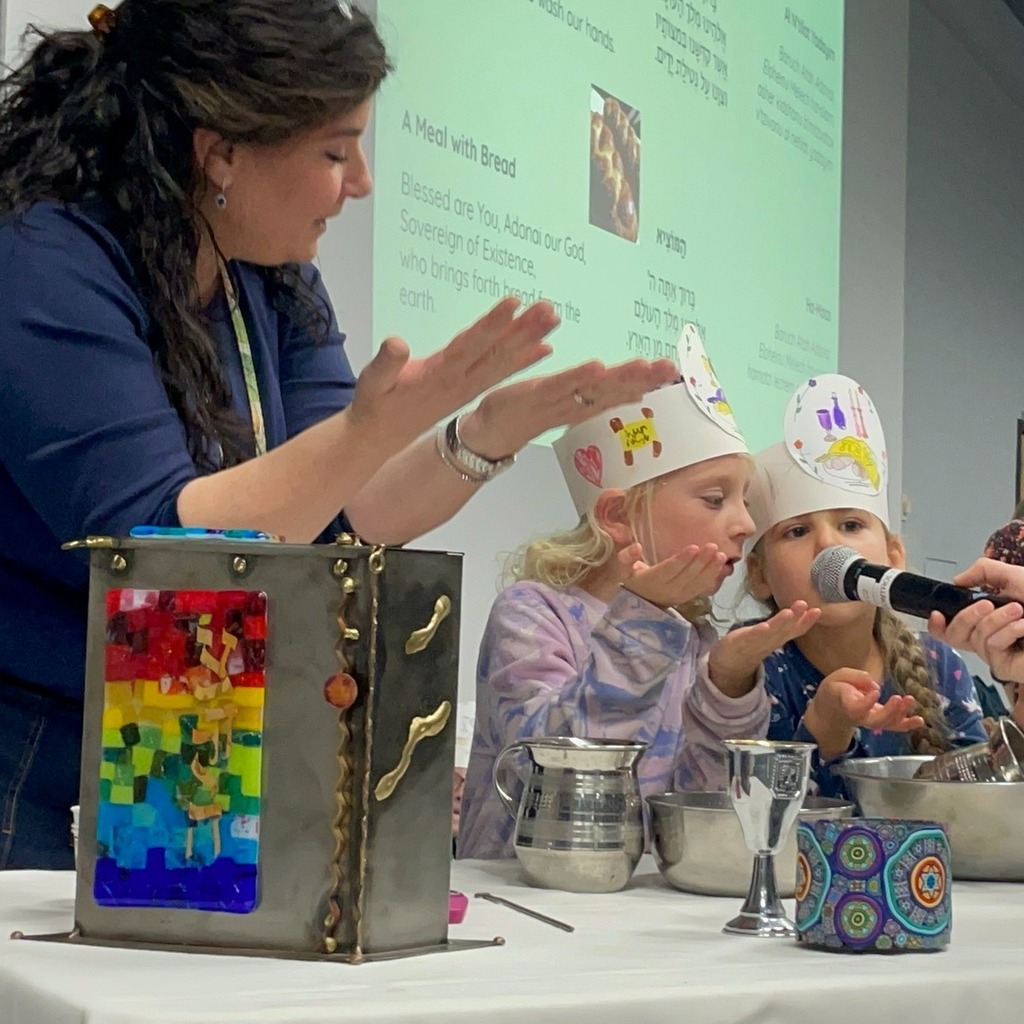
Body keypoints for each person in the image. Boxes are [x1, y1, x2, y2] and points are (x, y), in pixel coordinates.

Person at [0, 0, 677, 869]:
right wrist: (371, 428)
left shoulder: (271, 280)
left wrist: (491, 431)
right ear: (223, 154)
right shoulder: (49, 262)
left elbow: (339, 516)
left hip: (185, 754)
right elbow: (157, 551)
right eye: (333, 150)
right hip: (37, 764)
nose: (359, 182)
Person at [457, 326, 813, 860]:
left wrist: (727, 687)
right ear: (619, 515)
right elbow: (557, 780)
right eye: (716, 499)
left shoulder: (692, 639)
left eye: (744, 502)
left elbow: (701, 804)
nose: (744, 524)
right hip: (521, 900)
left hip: (636, 907)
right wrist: (640, 623)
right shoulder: (532, 613)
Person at [725, 374, 987, 797]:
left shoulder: (938, 663)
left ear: (892, 559)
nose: (829, 545)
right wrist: (824, 732)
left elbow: (977, 800)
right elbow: (750, 816)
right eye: (796, 532)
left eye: (850, 525)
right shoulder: (755, 665)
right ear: (759, 574)